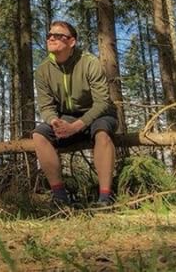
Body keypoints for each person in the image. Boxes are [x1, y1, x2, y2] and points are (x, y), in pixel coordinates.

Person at [32, 20, 118, 206]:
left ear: (72, 42)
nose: (51, 38)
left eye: (58, 36)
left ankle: (105, 197)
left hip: (100, 114)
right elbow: (46, 107)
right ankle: (60, 198)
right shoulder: (42, 70)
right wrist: (54, 121)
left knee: (102, 133)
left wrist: (76, 126)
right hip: (68, 118)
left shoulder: (89, 62)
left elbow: (102, 102)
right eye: (49, 35)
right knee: (39, 135)